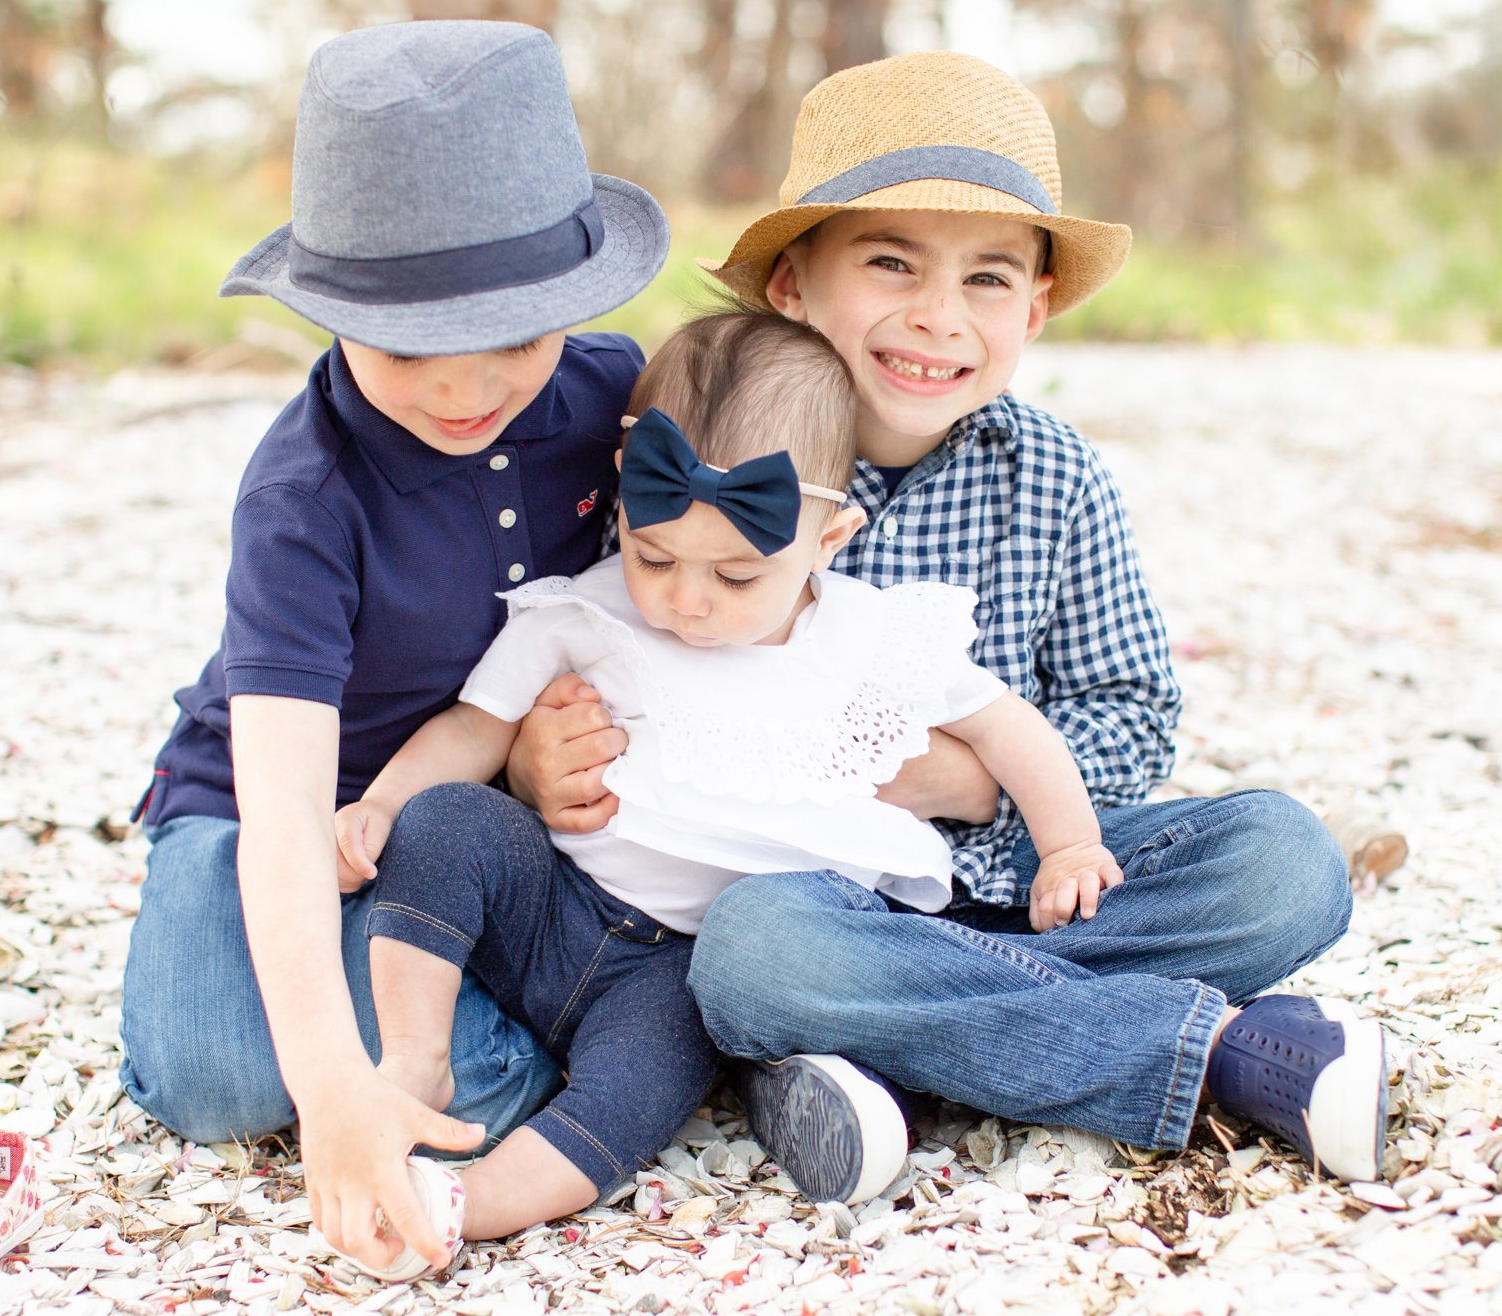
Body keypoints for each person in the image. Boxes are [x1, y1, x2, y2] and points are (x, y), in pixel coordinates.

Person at [507, 50, 1388, 1206]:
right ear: (790, 284)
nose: (937, 316)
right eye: (889, 263)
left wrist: (957, 782)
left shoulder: (1051, 476)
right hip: (784, 888)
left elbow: (1129, 721)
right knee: (756, 952)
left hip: (1018, 872)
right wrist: (534, 757)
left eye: (985, 280)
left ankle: (886, 1053)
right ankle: (1208, 1050)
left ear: (1030, 310)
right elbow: (595, 638)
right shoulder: (700, 436)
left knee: (1285, 864)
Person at [333, 313, 1128, 1274]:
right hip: (556, 901)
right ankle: (413, 1060)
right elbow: (474, 729)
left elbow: (1013, 730)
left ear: (830, 538)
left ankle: (475, 1200)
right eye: (656, 556)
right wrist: (379, 803)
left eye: (737, 573)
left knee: (645, 1081)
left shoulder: (868, 634)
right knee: (449, 819)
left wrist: (1072, 845)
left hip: (688, 971)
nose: (687, 600)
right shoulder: (584, 610)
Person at [115, 20, 671, 1270]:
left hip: (475, 818)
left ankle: (421, 1002)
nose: (467, 389)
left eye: (517, 337)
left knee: (431, 1071)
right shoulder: (303, 496)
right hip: (272, 801)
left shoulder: (610, 398)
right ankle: (387, 1008)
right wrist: (331, 1089)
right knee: (217, 1085)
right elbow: (283, 811)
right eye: (413, 346)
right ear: (330, 311)